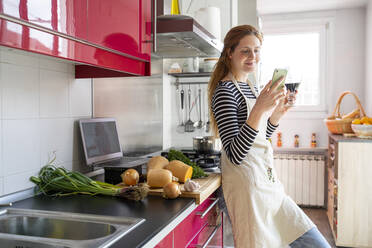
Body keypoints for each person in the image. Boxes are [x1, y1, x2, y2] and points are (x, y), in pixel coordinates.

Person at [208, 25, 330, 248]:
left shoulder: (250, 87)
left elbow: (259, 137)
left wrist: (277, 113)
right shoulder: (225, 91)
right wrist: (258, 110)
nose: (252, 57)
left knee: (316, 243)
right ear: (230, 53)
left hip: (267, 183)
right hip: (248, 189)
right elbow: (235, 154)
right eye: (245, 51)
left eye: (256, 50)